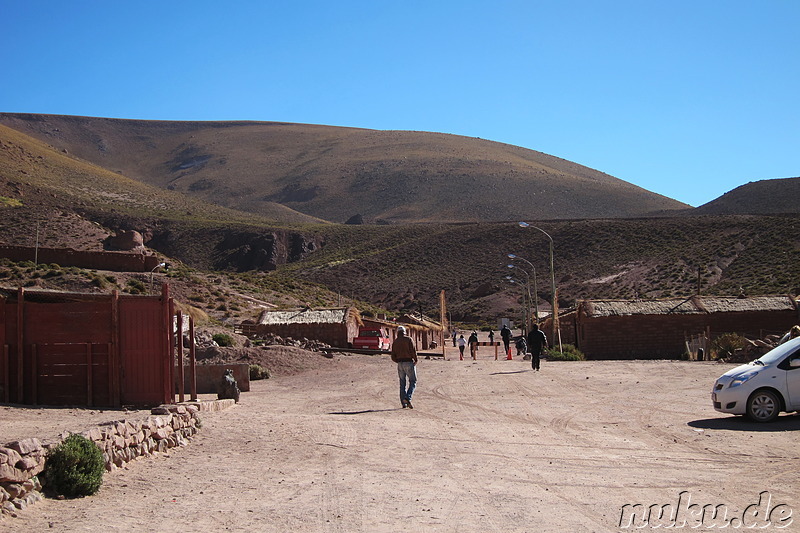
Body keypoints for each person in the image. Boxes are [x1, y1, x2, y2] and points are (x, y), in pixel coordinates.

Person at [391, 326, 418, 408]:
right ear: (404, 332)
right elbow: (413, 350)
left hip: (400, 363)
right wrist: (415, 359)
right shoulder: (408, 339)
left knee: (402, 383)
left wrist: (398, 361)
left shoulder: (395, 342)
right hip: (408, 362)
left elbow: (393, 356)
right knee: (413, 381)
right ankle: (407, 397)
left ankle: (403, 402)